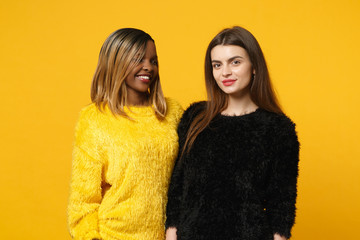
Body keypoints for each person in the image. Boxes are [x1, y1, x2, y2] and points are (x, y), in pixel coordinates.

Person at [165, 26, 300, 240]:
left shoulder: (278, 128)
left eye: (235, 62)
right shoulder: (195, 117)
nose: (225, 72)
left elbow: (281, 205)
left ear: (254, 66)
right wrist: (171, 233)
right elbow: (178, 187)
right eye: (217, 65)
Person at [67, 28, 183, 240]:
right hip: (113, 235)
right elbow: (83, 202)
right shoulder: (94, 119)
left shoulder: (173, 112)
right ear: (116, 62)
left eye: (153, 61)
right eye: (138, 59)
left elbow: (191, 177)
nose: (148, 67)